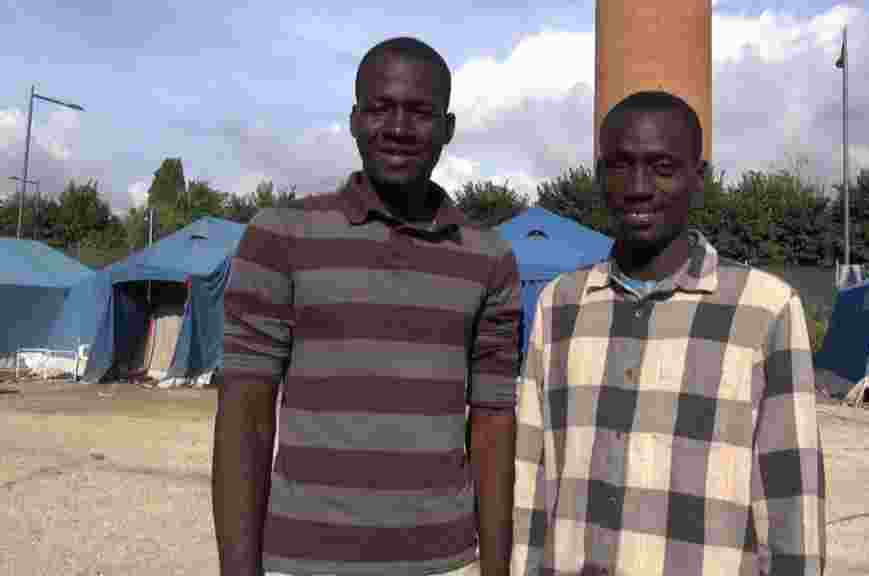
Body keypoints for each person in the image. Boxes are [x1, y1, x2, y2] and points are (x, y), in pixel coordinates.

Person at [213, 37, 520, 576]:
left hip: (444, 563)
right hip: (301, 562)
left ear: (447, 128)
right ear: (354, 120)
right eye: (381, 108)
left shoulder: (489, 258)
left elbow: (493, 424)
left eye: (420, 112)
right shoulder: (280, 239)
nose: (399, 128)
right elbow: (244, 418)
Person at [511, 91, 826, 575]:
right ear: (599, 177)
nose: (638, 186)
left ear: (698, 178)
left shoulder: (766, 309)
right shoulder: (560, 306)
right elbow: (532, 475)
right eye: (620, 166)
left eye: (661, 166)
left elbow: (790, 495)